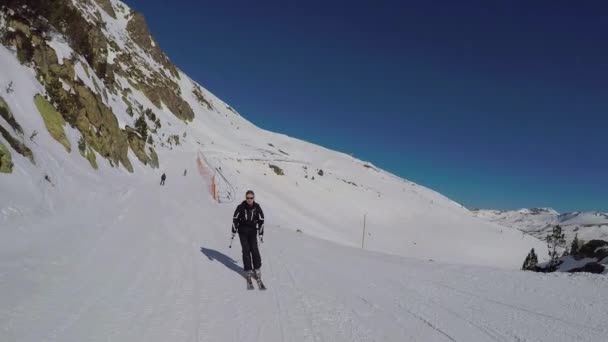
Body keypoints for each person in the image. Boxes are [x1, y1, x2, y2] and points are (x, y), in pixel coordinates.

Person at [232, 190, 265, 279]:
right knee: (246, 250)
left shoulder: (257, 207)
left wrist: (261, 234)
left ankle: (257, 268)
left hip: (252, 231)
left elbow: (261, 220)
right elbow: (235, 219)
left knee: (254, 249)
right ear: (245, 198)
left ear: (254, 198)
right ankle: (248, 270)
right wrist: (233, 231)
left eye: (251, 198)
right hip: (242, 232)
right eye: (248, 198)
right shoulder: (241, 207)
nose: (249, 199)